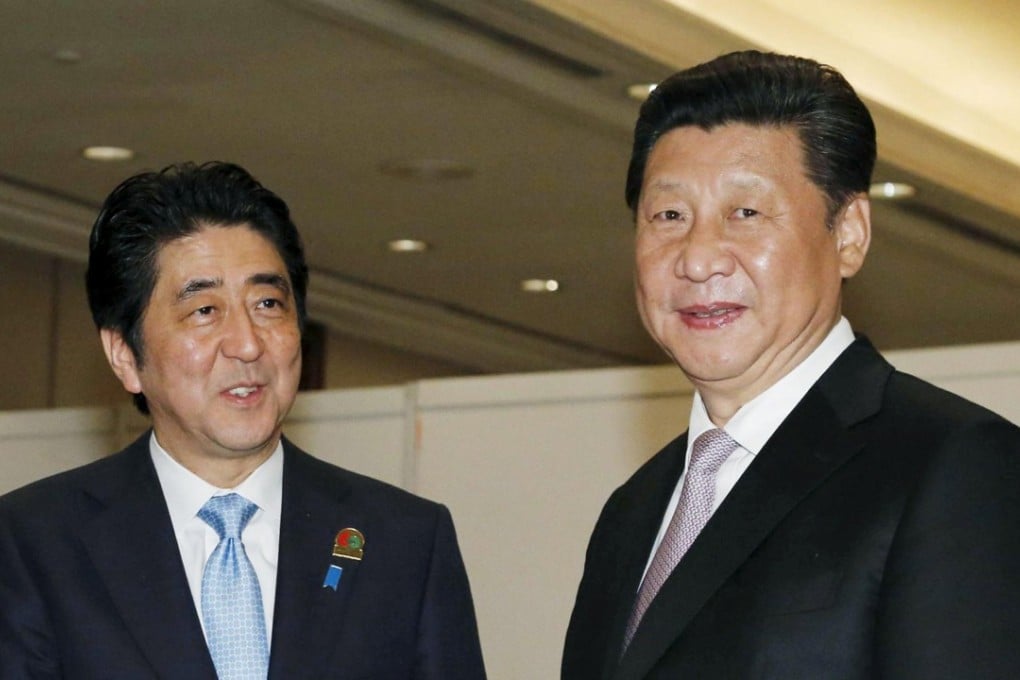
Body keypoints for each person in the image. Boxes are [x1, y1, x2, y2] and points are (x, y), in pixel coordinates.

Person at [562, 50, 1020, 679]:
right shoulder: (633, 511)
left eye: (745, 213)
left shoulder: (953, 466)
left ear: (849, 234)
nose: (698, 259)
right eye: (669, 215)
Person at [0, 162, 487, 679]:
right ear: (124, 354)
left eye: (268, 303)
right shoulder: (34, 543)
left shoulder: (404, 539)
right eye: (205, 311)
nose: (248, 343)